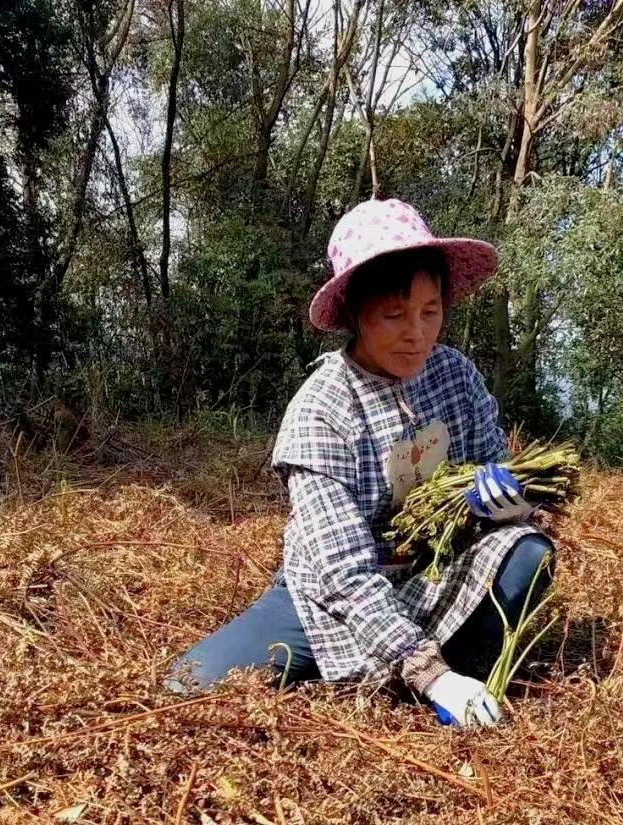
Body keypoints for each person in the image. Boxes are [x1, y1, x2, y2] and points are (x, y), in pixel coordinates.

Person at [164, 197, 554, 728]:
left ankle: (447, 666)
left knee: (527, 552)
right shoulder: (322, 410)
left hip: (431, 575)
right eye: (394, 314)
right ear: (354, 312)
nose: (416, 332)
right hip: (328, 596)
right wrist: (429, 673)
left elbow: (492, 470)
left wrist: (512, 504)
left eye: (430, 310)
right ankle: (418, 668)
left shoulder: (456, 376)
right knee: (191, 681)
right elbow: (345, 572)